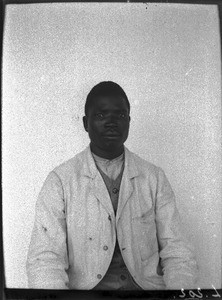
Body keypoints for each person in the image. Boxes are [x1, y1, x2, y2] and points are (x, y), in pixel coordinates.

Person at [26, 81, 198, 290]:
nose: (111, 122)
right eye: (100, 115)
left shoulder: (154, 178)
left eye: (120, 115)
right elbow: (45, 261)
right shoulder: (60, 181)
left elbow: (177, 252)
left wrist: (180, 294)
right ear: (85, 123)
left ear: (129, 121)